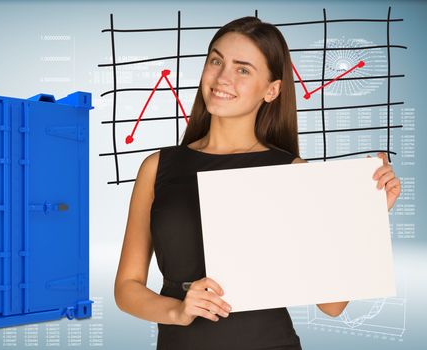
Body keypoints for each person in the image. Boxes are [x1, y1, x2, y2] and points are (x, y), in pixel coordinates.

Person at [114, 16, 401, 350]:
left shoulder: (293, 172)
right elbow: (127, 287)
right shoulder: (158, 167)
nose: (222, 77)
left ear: (272, 90)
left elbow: (332, 306)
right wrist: (178, 310)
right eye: (216, 61)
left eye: (243, 69)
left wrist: (368, 217)